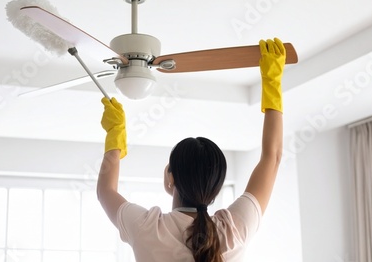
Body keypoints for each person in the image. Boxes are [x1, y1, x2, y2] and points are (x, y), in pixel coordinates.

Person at [97, 38, 286, 262]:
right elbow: (272, 157)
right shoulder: (233, 230)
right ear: (215, 186)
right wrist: (271, 81)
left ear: (170, 177)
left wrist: (115, 133)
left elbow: (105, 191)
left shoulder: (148, 228)